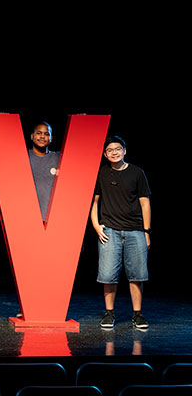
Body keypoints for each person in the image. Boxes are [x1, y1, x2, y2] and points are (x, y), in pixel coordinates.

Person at [90, 135, 151, 330]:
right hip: (110, 231)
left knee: (137, 275)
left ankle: (137, 315)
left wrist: (146, 231)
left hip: (135, 231)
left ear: (125, 150)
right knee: (108, 275)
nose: (114, 152)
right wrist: (96, 225)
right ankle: (109, 313)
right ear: (104, 154)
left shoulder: (137, 173)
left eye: (118, 149)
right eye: (110, 150)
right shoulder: (102, 173)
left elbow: (145, 203)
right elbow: (95, 202)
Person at [28, 121, 60, 221]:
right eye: (39, 133)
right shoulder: (22, 156)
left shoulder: (59, 158)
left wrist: (81, 122)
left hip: (53, 217)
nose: (42, 137)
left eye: (46, 134)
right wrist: (3, 120)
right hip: (27, 214)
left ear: (51, 138)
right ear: (32, 136)